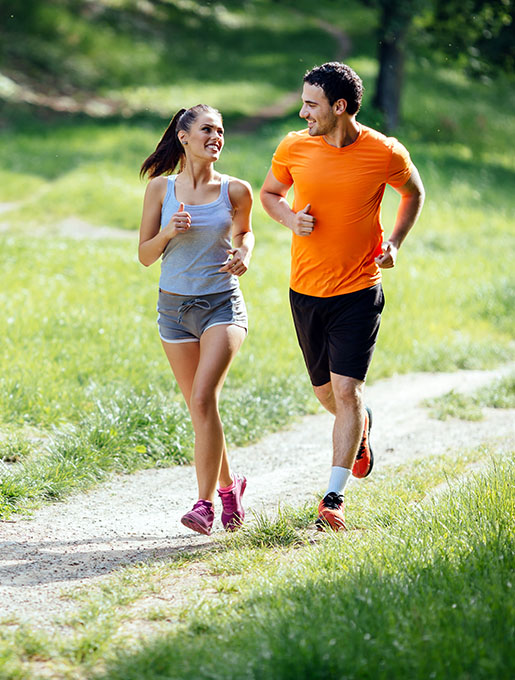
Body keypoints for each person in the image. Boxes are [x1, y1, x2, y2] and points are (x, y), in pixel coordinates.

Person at [260, 62, 425, 531]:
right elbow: (270, 194)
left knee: (347, 390)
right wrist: (290, 219)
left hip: (358, 291)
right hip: (306, 291)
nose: (301, 112)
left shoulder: (384, 151)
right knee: (327, 395)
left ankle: (332, 499)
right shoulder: (294, 146)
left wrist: (394, 243)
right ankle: (361, 427)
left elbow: (414, 194)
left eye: (310, 104)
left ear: (339, 107)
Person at [139, 104, 254, 536]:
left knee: (203, 398)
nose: (216, 137)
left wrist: (244, 252)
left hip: (221, 306)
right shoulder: (159, 190)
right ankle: (230, 488)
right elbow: (145, 256)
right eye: (207, 129)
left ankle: (204, 504)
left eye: (221, 131)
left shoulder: (235, 190)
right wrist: (168, 231)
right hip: (173, 310)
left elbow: (245, 231)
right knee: (199, 408)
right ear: (184, 137)